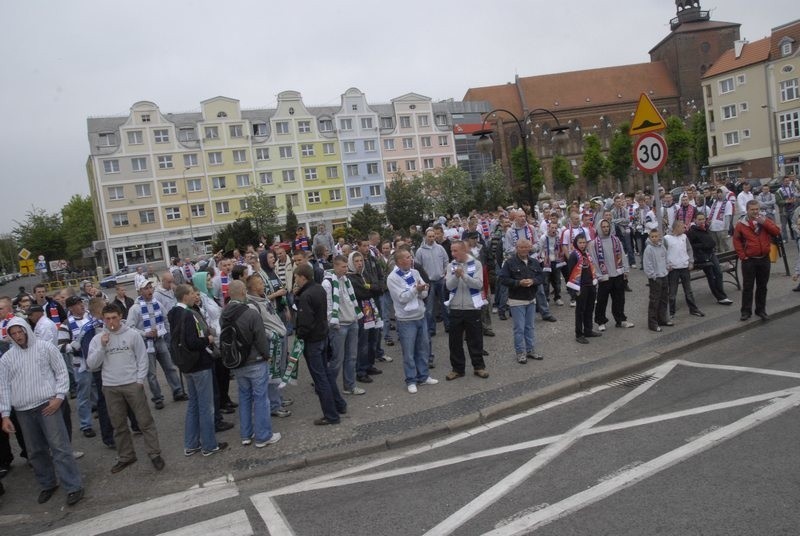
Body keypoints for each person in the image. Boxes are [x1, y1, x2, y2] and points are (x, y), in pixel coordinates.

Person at [0, 318, 84, 506]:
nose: (18, 336)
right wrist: (5, 414)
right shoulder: (6, 359)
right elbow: (3, 387)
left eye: (20, 331)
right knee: (35, 451)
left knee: (59, 447)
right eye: (13, 334)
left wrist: (59, 397)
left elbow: (61, 371)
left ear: (26, 330)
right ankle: (48, 484)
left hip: (48, 405)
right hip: (23, 411)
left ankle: (73, 486)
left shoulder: (45, 347)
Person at [87, 304, 165, 473]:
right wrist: (102, 346)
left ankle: (154, 453)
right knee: (119, 424)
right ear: (103, 319)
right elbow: (92, 365)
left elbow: (142, 358)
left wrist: (139, 380)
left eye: (114, 317)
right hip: (110, 386)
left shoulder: (132, 335)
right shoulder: (97, 339)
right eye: (107, 319)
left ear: (120, 316)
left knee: (145, 421)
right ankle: (126, 456)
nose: (111, 322)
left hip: (131, 384)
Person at [168, 284, 228, 457]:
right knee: (206, 406)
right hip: (199, 364)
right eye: (192, 293)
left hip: (186, 365)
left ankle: (191, 443)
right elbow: (193, 342)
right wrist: (208, 339)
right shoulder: (187, 314)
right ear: (185, 296)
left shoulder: (174, 313)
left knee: (193, 405)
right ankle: (209, 444)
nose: (195, 296)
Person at [221, 280, 281, 448]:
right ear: (243, 293)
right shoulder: (251, 313)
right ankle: (263, 436)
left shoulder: (223, 314)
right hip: (255, 360)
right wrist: (267, 355)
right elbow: (260, 338)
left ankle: (246, 434)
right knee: (261, 398)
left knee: (245, 397)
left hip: (238, 362)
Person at [294, 263, 346, 424]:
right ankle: (339, 404)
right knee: (327, 375)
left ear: (303, 277)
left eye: (296, 277)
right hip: (322, 337)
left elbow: (305, 322)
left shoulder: (306, 295)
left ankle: (331, 415)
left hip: (313, 341)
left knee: (320, 379)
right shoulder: (318, 289)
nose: (295, 281)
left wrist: (299, 335)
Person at [126, 280, 187, 410]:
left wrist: (167, 334)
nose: (149, 290)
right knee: (151, 373)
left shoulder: (157, 304)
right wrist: (145, 333)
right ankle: (158, 397)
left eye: (150, 287)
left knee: (169, 367)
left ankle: (178, 391)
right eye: (146, 288)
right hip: (145, 344)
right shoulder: (135, 308)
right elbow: (130, 327)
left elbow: (165, 320)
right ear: (140, 291)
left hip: (160, 340)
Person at [388, 248, 439, 394]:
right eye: (407, 257)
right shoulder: (393, 278)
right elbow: (402, 298)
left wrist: (422, 290)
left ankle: (423, 376)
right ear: (399, 261)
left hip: (420, 316)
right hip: (406, 320)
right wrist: (416, 290)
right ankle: (411, 380)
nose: (411, 259)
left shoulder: (414, 273)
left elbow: (423, 294)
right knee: (409, 353)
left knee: (423, 349)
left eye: (410, 256)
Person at [444, 240, 488, 380]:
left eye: (455, 251)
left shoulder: (476, 264)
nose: (453, 254)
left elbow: (478, 284)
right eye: (451, 251)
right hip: (456, 307)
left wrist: (463, 275)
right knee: (455, 340)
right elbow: (449, 287)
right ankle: (457, 369)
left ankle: (479, 367)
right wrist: (456, 277)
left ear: (464, 250)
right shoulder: (451, 265)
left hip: (472, 307)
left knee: (475, 339)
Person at [322, 255, 365, 396]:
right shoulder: (327, 283)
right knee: (337, 359)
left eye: (347, 266)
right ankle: (329, 388)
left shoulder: (346, 280)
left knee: (352, 357)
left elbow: (351, 300)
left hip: (352, 322)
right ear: (335, 266)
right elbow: (328, 305)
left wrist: (355, 317)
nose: (346, 269)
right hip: (339, 325)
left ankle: (350, 386)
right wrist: (332, 322)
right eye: (343, 267)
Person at [733, 199, 781, 321]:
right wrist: (742, 255)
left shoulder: (764, 220)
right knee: (748, 287)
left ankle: (761, 310)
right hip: (749, 260)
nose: (755, 212)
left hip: (764, 258)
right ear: (747, 210)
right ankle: (745, 311)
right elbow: (736, 240)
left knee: (762, 286)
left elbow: (776, 231)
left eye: (757, 209)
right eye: (752, 210)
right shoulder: (741, 224)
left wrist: (765, 223)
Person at [497, 239, 544, 363]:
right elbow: (503, 279)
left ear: (529, 248)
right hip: (516, 300)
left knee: (530, 327)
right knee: (519, 328)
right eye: (521, 247)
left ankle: (531, 350)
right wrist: (518, 283)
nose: (524, 250)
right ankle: (520, 352)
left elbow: (541, 277)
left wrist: (533, 281)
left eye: (526, 247)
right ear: (516, 248)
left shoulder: (534, 262)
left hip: (531, 299)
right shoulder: (509, 263)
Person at [589, 219, 634, 331]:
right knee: (602, 300)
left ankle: (620, 320)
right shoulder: (594, 243)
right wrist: (599, 275)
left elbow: (623, 255)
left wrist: (626, 269)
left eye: (607, 226)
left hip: (617, 274)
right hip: (604, 276)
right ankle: (600, 321)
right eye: (603, 227)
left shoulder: (616, 240)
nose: (605, 229)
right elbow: (594, 260)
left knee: (619, 299)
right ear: (599, 228)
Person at [686, 213, 734, 305]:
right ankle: (721, 297)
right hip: (702, 257)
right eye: (699, 219)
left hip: (711, 254)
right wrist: (705, 245)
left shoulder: (707, 229)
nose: (701, 221)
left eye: (703, 219)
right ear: (695, 220)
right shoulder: (692, 232)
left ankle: (721, 294)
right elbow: (690, 246)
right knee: (711, 275)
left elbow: (712, 242)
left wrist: (709, 244)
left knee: (718, 273)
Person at [664, 221, 704, 319]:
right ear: (676, 227)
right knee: (672, 292)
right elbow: (663, 253)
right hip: (673, 269)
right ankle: (671, 312)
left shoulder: (684, 237)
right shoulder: (667, 239)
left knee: (688, 290)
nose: (684, 229)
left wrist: (691, 261)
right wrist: (667, 265)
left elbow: (689, 249)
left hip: (684, 267)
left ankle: (693, 309)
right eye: (682, 227)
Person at [414, 229, 449, 337]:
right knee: (429, 308)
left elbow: (446, 261)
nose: (432, 238)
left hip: (440, 279)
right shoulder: (420, 251)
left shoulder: (440, 248)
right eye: (429, 236)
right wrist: (423, 279)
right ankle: (431, 329)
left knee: (445, 305)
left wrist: (444, 272)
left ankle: (448, 326)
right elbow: (418, 267)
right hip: (428, 282)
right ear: (425, 237)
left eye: (433, 236)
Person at [566, 235, 600, 344]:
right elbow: (570, 273)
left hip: (590, 284)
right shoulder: (573, 255)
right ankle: (579, 334)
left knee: (590, 308)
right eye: (580, 243)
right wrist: (573, 290)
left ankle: (588, 330)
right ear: (576, 243)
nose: (582, 245)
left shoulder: (587, 253)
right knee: (580, 311)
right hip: (580, 287)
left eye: (584, 242)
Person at [643, 228, 672, 332]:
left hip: (664, 275)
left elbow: (666, 258)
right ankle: (652, 323)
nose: (654, 238)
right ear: (649, 237)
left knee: (664, 299)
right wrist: (652, 276)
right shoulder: (649, 249)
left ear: (659, 236)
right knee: (654, 301)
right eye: (652, 237)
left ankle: (662, 319)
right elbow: (647, 264)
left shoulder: (662, 247)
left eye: (656, 236)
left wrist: (668, 267)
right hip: (655, 277)